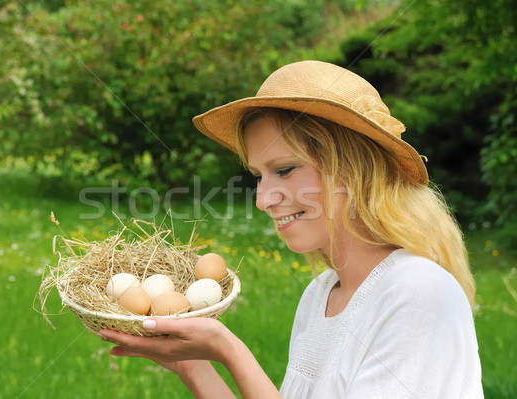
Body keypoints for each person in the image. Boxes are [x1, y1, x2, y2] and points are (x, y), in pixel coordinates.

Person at [98, 60, 484, 398]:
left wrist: (230, 350)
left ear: (352, 171)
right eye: (258, 176)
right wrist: (194, 364)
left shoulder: (417, 293)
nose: (263, 199)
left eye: (284, 170)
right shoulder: (320, 295)